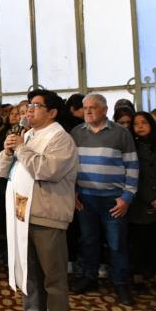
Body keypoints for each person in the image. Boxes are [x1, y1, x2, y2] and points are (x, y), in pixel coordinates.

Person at [0, 90, 78, 311]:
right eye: (29, 105)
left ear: (52, 112)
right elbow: (1, 172)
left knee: (53, 280)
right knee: (29, 276)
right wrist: (7, 152)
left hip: (46, 218)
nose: (29, 110)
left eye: (36, 106)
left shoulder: (61, 139)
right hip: (22, 216)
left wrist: (21, 148)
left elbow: (46, 170)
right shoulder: (28, 135)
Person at [70, 94, 139, 306]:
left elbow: (133, 166)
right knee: (89, 241)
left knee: (117, 244)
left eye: (93, 107)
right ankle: (90, 278)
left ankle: (120, 284)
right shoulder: (76, 133)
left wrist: (127, 198)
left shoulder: (121, 133)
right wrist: (72, 194)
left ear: (105, 110)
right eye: (85, 108)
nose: (88, 111)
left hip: (113, 200)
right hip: (85, 199)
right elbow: (69, 167)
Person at [127, 112, 156, 290]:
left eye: (144, 122)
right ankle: (137, 276)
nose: (140, 126)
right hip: (138, 202)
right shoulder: (132, 148)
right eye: (136, 124)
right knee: (138, 241)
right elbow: (135, 176)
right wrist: (150, 198)